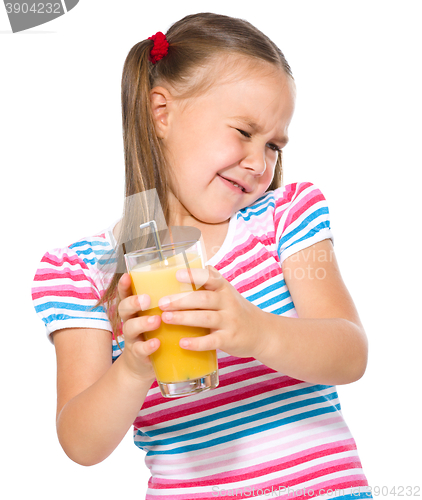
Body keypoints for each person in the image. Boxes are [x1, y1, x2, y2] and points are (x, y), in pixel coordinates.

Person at [32, 12, 373, 500]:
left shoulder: (283, 217)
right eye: (243, 132)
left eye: (273, 144)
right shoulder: (83, 270)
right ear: (161, 112)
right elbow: (81, 443)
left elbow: (349, 354)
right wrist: (133, 365)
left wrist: (255, 330)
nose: (260, 163)